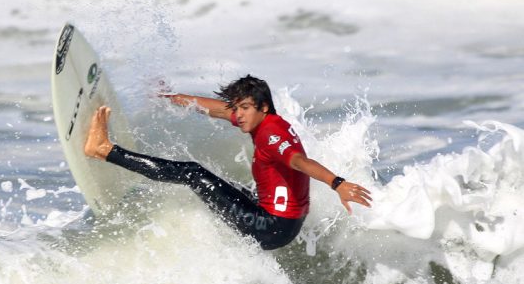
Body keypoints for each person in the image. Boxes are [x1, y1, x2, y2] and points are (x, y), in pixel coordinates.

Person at [84, 75, 371, 250]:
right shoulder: (264, 120)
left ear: (263, 107)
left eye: (244, 108)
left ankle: (104, 150)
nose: (239, 114)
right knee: (218, 185)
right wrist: (171, 98)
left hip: (270, 227)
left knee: (193, 173)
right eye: (238, 108)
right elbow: (220, 110)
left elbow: (299, 161)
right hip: (277, 217)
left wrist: (338, 183)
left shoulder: (271, 136)